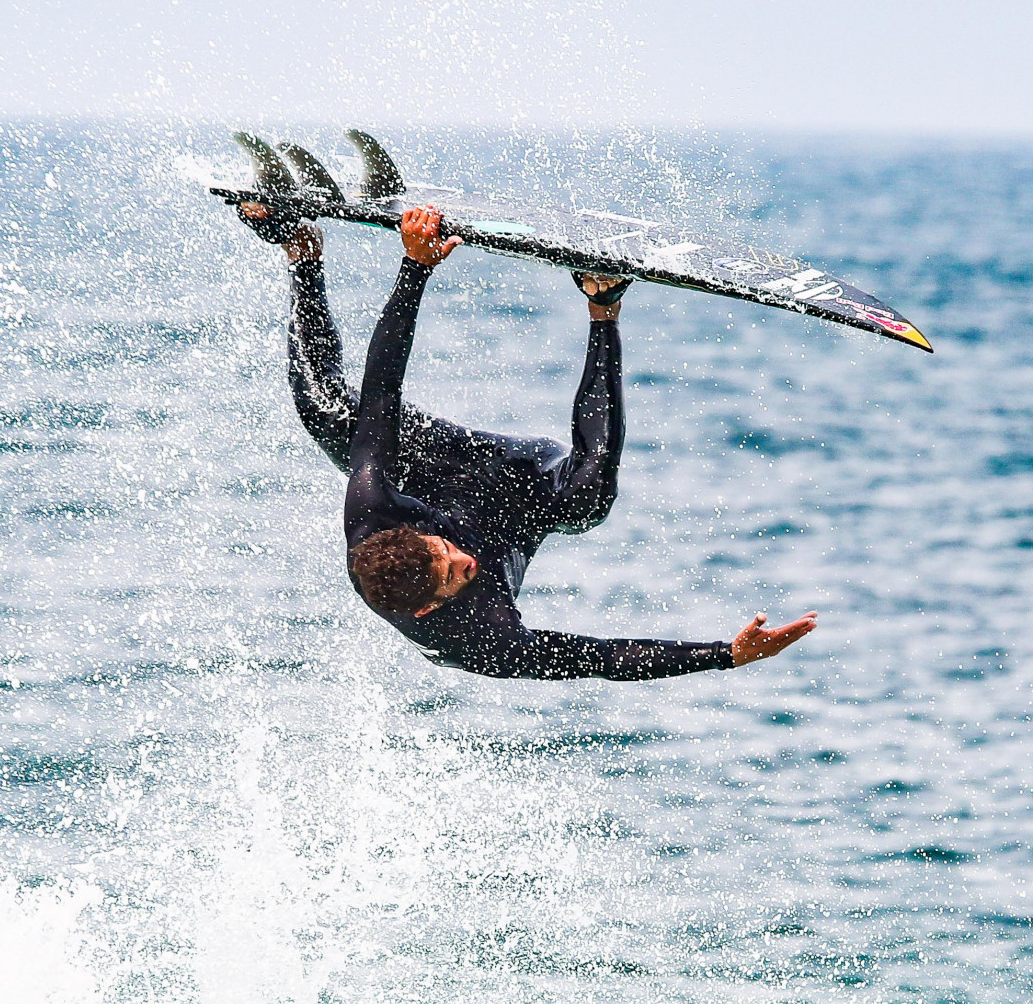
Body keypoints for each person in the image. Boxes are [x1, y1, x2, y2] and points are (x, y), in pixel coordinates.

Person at [238, 198, 817, 683]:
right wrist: (725, 655)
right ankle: (603, 302)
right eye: (455, 574)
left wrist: (415, 268)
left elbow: (383, 388)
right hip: (524, 493)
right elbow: (599, 659)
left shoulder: (372, 508)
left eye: (443, 550)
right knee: (588, 501)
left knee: (329, 413)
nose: (463, 557)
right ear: (429, 607)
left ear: (409, 532)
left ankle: (302, 251)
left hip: (444, 468)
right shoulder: (484, 642)